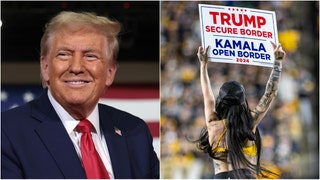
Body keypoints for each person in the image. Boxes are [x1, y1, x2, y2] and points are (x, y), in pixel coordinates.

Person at [1, 11, 159, 179]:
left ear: (110, 73)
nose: (76, 67)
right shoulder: (7, 132)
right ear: (45, 67)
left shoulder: (135, 132)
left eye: (90, 56)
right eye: (64, 54)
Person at [195, 42, 286, 179]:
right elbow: (270, 94)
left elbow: (207, 97)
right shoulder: (249, 122)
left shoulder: (213, 124)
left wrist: (203, 66)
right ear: (243, 101)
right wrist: (277, 63)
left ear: (221, 101)